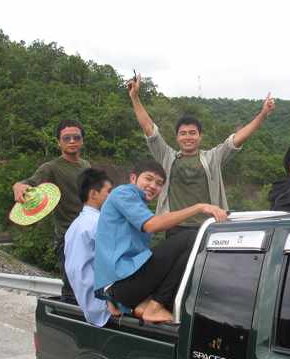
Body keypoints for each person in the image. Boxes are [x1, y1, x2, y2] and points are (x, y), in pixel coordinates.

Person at [127, 74, 275, 236]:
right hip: (175, 228)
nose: (188, 137)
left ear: (200, 136)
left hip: (209, 227)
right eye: (183, 133)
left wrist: (262, 114)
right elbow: (150, 129)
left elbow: (237, 139)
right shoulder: (167, 157)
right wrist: (135, 97)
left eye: (192, 133)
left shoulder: (213, 157)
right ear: (177, 137)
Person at [94, 160, 227, 323]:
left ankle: (140, 304)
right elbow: (152, 225)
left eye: (159, 183)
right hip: (120, 285)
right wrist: (199, 207)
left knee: (182, 251)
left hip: (121, 287)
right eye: (148, 178)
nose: (153, 186)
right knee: (191, 238)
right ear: (133, 178)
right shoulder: (123, 193)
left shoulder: (136, 204)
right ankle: (155, 306)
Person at [12, 119, 90, 298]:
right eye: (66, 138)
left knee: (90, 288)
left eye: (76, 137)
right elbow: (30, 183)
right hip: (68, 238)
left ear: (82, 141)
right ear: (59, 142)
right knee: (72, 290)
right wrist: (18, 186)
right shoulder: (51, 168)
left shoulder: (86, 165)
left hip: (89, 235)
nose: (72, 141)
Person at [64, 168, 113, 326]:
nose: (112, 197)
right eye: (108, 192)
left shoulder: (75, 225)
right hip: (104, 304)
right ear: (93, 194)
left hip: (88, 303)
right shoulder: (99, 223)